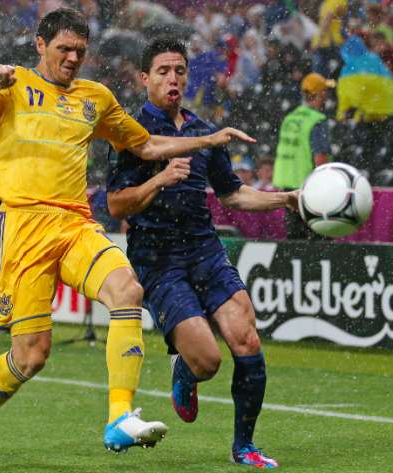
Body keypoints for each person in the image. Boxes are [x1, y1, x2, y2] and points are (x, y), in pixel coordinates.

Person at [0, 8, 256, 471]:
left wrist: (207, 141)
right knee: (30, 357)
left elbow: (147, 145)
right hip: (24, 227)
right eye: (62, 49)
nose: (72, 58)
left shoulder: (96, 98)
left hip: (74, 224)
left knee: (127, 288)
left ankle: (118, 417)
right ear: (39, 44)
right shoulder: (12, 86)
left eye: (79, 51)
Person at [107, 37, 299, 469]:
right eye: (162, 71)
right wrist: (158, 181)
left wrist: (284, 198)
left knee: (247, 339)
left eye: (179, 70)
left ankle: (244, 447)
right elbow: (116, 205)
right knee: (208, 361)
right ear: (144, 78)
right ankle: (186, 370)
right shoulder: (128, 132)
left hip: (204, 249)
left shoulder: (202, 131)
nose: (172, 79)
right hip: (157, 259)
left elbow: (232, 195)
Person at [273, 72, 333, 240]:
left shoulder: (290, 118)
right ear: (319, 93)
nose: (327, 95)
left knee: (295, 241)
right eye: (325, 91)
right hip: (310, 189)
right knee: (320, 242)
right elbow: (320, 159)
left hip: (288, 188)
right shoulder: (317, 120)